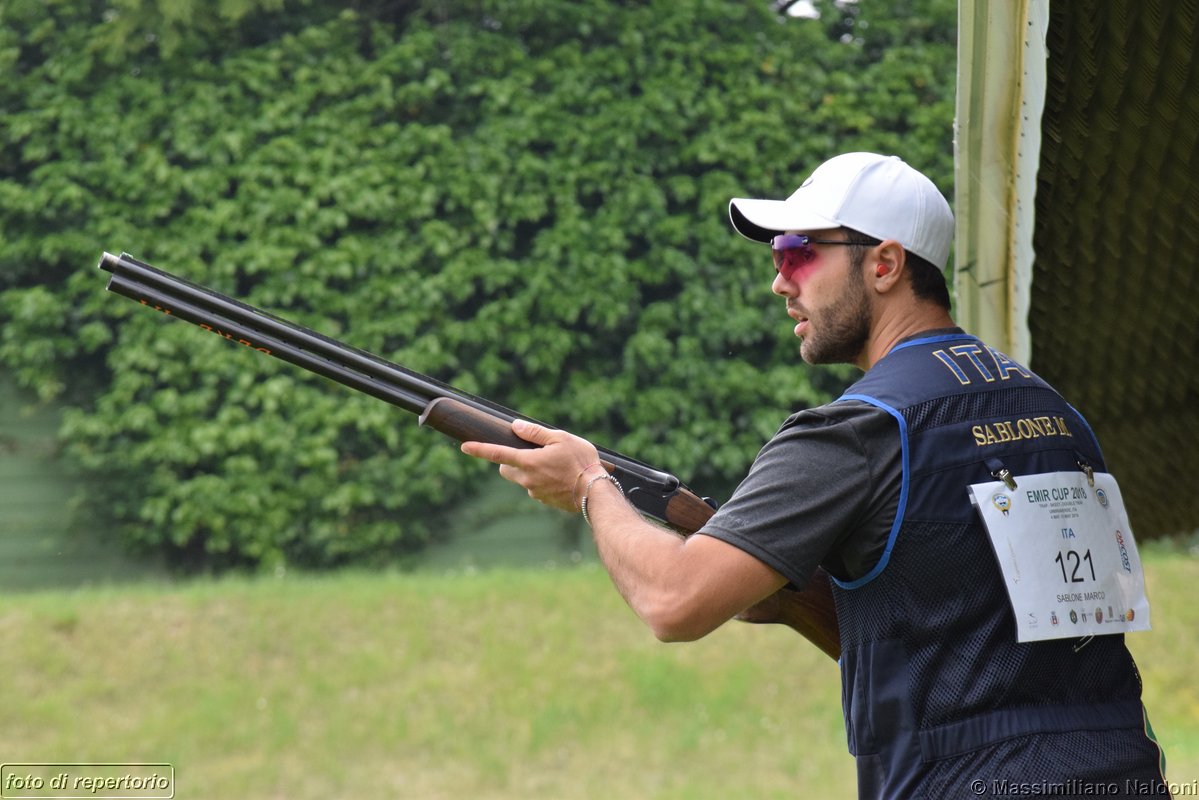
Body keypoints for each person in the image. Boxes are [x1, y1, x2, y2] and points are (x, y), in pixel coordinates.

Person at [461, 152, 1169, 798]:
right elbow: (981, 625)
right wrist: (792, 598)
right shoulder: (1053, 412)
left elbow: (673, 603)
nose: (778, 281)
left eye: (798, 253)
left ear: (884, 265)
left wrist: (589, 485)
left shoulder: (855, 431)